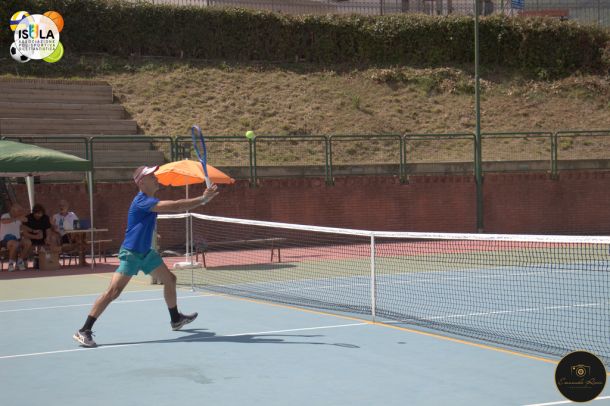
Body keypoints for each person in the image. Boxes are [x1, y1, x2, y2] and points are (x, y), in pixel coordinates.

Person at [73, 165, 219, 347]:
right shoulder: (141, 201)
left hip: (146, 253)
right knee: (113, 292)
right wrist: (203, 199)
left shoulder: (149, 200)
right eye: (151, 176)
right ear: (141, 182)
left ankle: (176, 319)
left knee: (170, 280)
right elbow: (176, 206)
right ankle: (84, 330)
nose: (156, 178)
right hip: (132, 253)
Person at [52, 199, 88, 266]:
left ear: (67, 206)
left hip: (74, 235)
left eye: (63, 205)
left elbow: (78, 225)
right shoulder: (55, 216)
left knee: (81, 233)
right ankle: (82, 242)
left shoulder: (72, 214)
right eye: (60, 206)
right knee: (81, 238)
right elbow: (52, 228)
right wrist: (53, 227)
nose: (61, 207)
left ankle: (82, 260)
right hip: (63, 237)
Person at [0, 203, 32, 271]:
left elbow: (23, 223)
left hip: (17, 239)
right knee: (15, 244)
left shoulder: (19, 217)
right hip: (5, 240)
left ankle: (20, 261)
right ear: (13, 211)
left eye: (21, 211)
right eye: (19, 211)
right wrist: (17, 218)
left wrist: (33, 230)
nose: (20, 212)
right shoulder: (5, 216)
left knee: (28, 242)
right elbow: (3, 221)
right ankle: (11, 264)